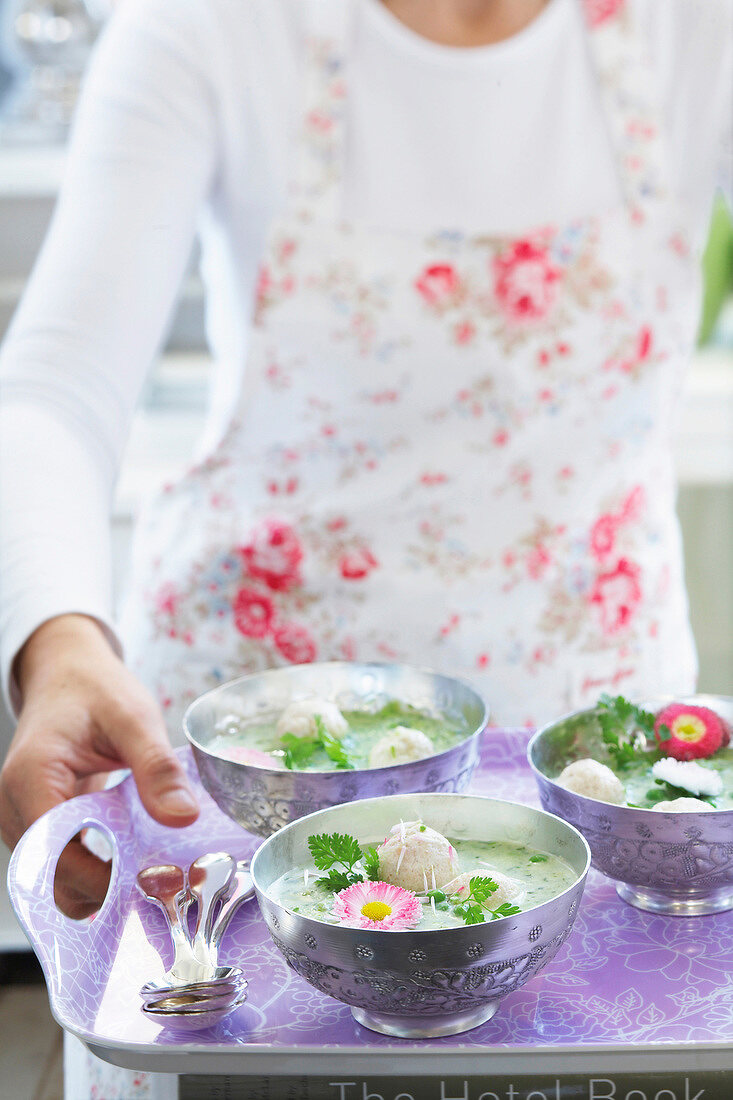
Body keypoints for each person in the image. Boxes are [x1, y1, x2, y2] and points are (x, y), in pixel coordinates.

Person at [0, 0, 731, 1095]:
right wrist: (56, 643)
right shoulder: (205, 29)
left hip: (601, 805)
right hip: (248, 811)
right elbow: (59, 381)